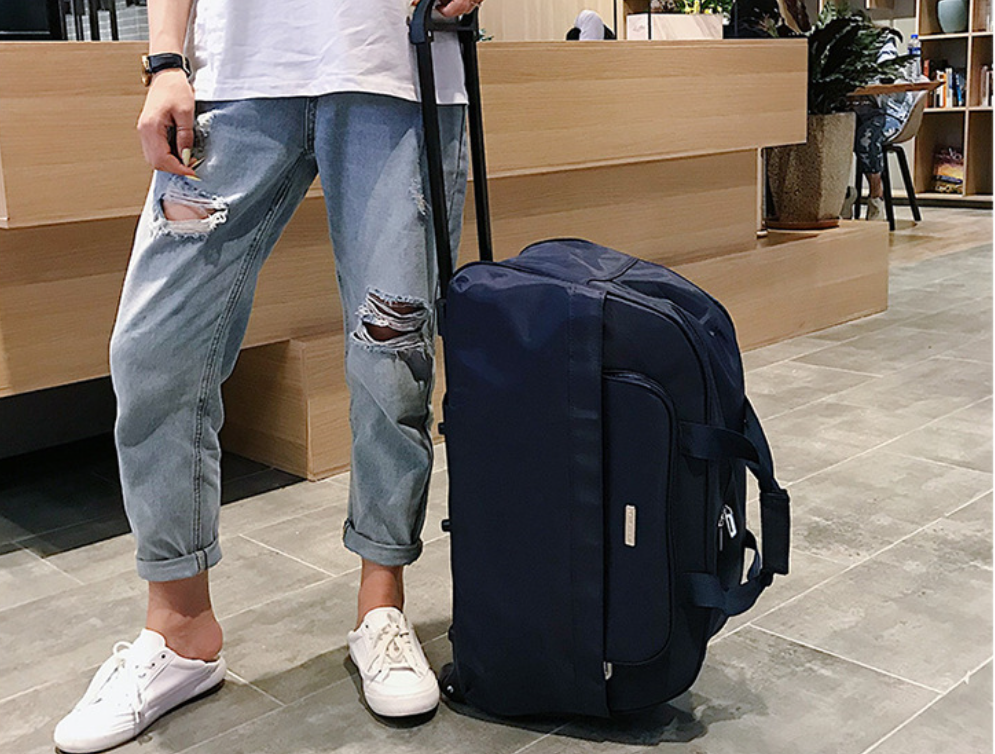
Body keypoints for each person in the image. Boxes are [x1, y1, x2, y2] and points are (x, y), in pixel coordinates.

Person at [53, 0, 482, 751]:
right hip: (232, 87)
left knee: (391, 352)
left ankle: (382, 605)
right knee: (155, 346)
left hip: (395, 76)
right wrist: (165, 60)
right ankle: (181, 632)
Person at [850, 30, 917, 221]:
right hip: (856, 112)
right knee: (832, 133)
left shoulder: (883, 41)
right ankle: (843, 196)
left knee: (866, 138)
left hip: (888, 112)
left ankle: (876, 196)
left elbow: (887, 71)